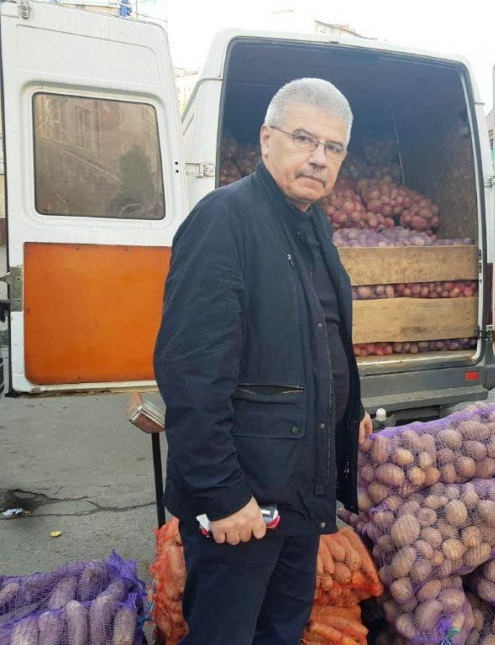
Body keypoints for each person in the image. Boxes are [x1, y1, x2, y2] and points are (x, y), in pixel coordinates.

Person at [154, 78, 373, 645]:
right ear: (266, 139)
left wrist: (351, 408)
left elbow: (319, 332)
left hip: (298, 485)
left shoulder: (313, 224)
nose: (319, 158)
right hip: (245, 498)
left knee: (282, 626)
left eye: (334, 147)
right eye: (304, 138)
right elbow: (191, 373)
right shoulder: (225, 220)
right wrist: (223, 495)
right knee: (226, 633)